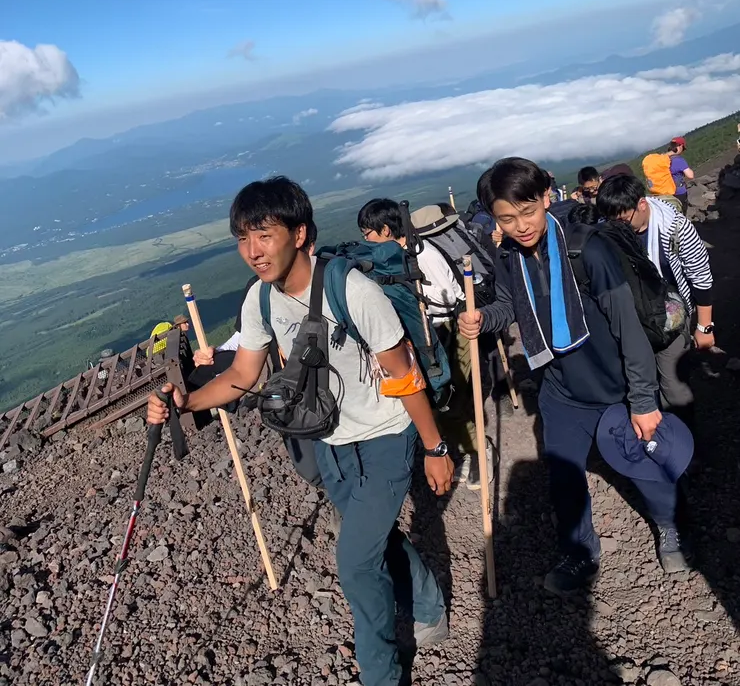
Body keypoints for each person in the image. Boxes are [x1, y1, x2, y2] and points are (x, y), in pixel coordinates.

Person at [148, 178, 451, 686]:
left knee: (355, 563)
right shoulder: (260, 301)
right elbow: (244, 375)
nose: (253, 252)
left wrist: (434, 447)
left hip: (384, 435)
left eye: (264, 235)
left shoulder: (352, 290)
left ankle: (381, 675)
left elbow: (403, 376)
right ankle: (427, 603)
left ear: (300, 233)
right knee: (371, 538)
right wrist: (187, 402)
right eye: (243, 238)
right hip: (328, 443)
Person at [458, 157, 688, 593]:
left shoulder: (588, 249)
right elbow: (511, 305)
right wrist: (484, 318)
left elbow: (629, 328)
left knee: (639, 462)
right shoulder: (509, 255)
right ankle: (579, 551)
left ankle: (669, 522)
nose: (521, 226)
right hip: (561, 388)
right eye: (507, 218)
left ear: (546, 198)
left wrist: (642, 401)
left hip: (615, 385)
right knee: (563, 474)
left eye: (528, 211)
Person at [357, 198, 496, 491]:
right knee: (436, 395)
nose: (365, 239)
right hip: (423, 333)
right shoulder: (396, 258)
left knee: (452, 395)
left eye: (367, 232)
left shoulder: (423, 254)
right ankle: (458, 445)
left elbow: (448, 295)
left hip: (446, 328)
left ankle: (479, 450)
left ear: (384, 230)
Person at [596, 174, 714, 432]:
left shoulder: (675, 227)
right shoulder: (609, 231)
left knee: (672, 382)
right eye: (611, 221)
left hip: (671, 316)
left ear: (641, 204)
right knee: (638, 380)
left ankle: (684, 444)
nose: (619, 227)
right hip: (632, 316)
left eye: (623, 219)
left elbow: (700, 276)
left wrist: (704, 326)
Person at [667, 138, 694, 215]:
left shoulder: (663, 159)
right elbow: (690, 175)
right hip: (679, 192)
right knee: (681, 213)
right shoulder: (679, 160)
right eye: (683, 148)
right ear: (680, 146)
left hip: (666, 193)